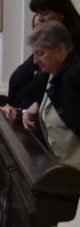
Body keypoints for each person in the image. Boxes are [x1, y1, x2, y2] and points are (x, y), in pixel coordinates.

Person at [4, 0, 80, 122]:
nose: (40, 18)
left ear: (62, 14)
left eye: (45, 13)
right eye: (38, 13)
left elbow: (50, 88)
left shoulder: (72, 48)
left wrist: (24, 111)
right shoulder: (46, 44)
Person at [21, 21, 80, 168]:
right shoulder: (52, 74)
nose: (35, 61)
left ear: (61, 48)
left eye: (41, 53)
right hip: (62, 169)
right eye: (34, 54)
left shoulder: (75, 76)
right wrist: (34, 107)